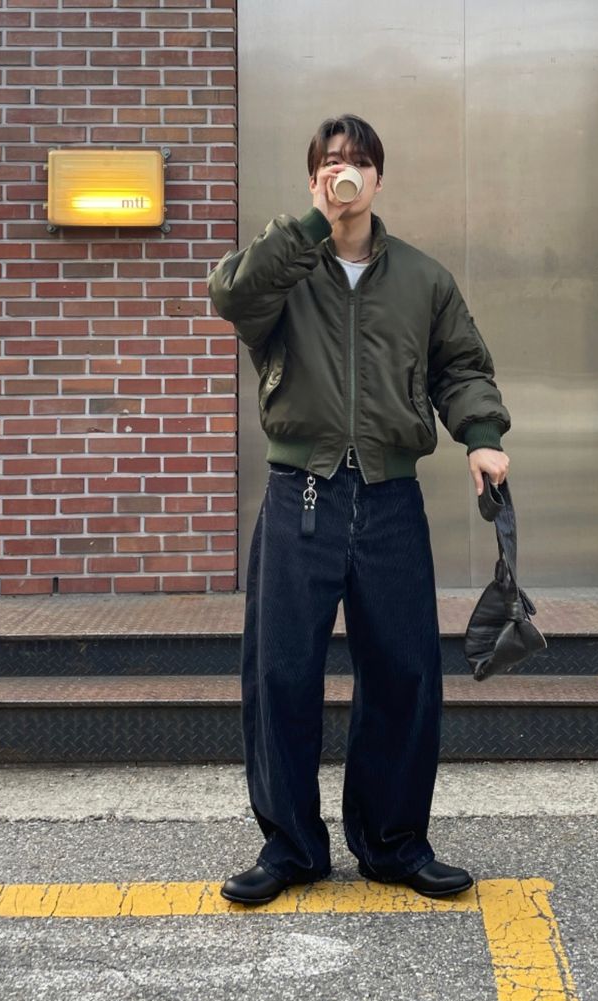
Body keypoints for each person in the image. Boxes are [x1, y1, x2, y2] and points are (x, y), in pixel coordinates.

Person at [208, 114, 511, 905]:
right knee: (281, 675)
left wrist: (480, 437)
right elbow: (230, 295)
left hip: (389, 499)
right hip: (298, 497)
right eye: (331, 162)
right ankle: (291, 848)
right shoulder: (285, 268)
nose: (345, 172)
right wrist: (313, 223)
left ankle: (393, 843)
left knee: (404, 674)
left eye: (358, 162)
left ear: (379, 177)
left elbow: (460, 366)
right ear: (314, 177)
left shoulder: (422, 278)